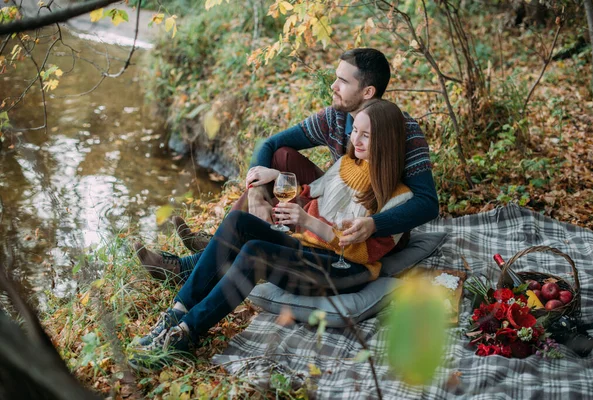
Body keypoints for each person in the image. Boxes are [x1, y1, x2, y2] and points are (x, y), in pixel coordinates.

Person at [129, 99, 414, 370]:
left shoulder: (400, 198)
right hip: (310, 249)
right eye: (356, 132)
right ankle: (176, 312)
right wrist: (276, 176)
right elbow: (309, 193)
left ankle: (185, 334)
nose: (357, 140)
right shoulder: (346, 165)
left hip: (346, 270)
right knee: (239, 221)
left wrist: (308, 222)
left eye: (367, 135)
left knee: (255, 253)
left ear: (386, 141)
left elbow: (363, 252)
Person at [136, 48, 439, 282]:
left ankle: (191, 264)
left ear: (367, 93)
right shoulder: (334, 117)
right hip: (334, 199)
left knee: (282, 175)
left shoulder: (403, 131)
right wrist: (255, 194)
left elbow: (427, 205)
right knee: (280, 155)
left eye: (343, 81)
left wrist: (373, 224)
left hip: (370, 229)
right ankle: (220, 242)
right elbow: (268, 144)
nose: (333, 86)